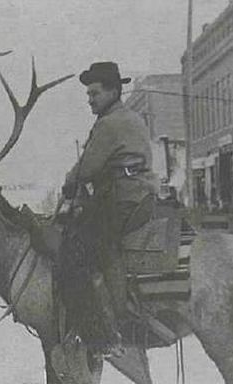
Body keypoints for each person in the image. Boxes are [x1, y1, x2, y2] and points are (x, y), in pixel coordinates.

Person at [58, 61, 159, 355]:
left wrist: (68, 184)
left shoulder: (110, 123)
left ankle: (108, 331)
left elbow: (86, 168)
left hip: (122, 196)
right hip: (138, 193)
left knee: (76, 253)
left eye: (95, 93)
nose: (90, 100)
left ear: (114, 91)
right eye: (88, 95)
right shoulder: (131, 117)